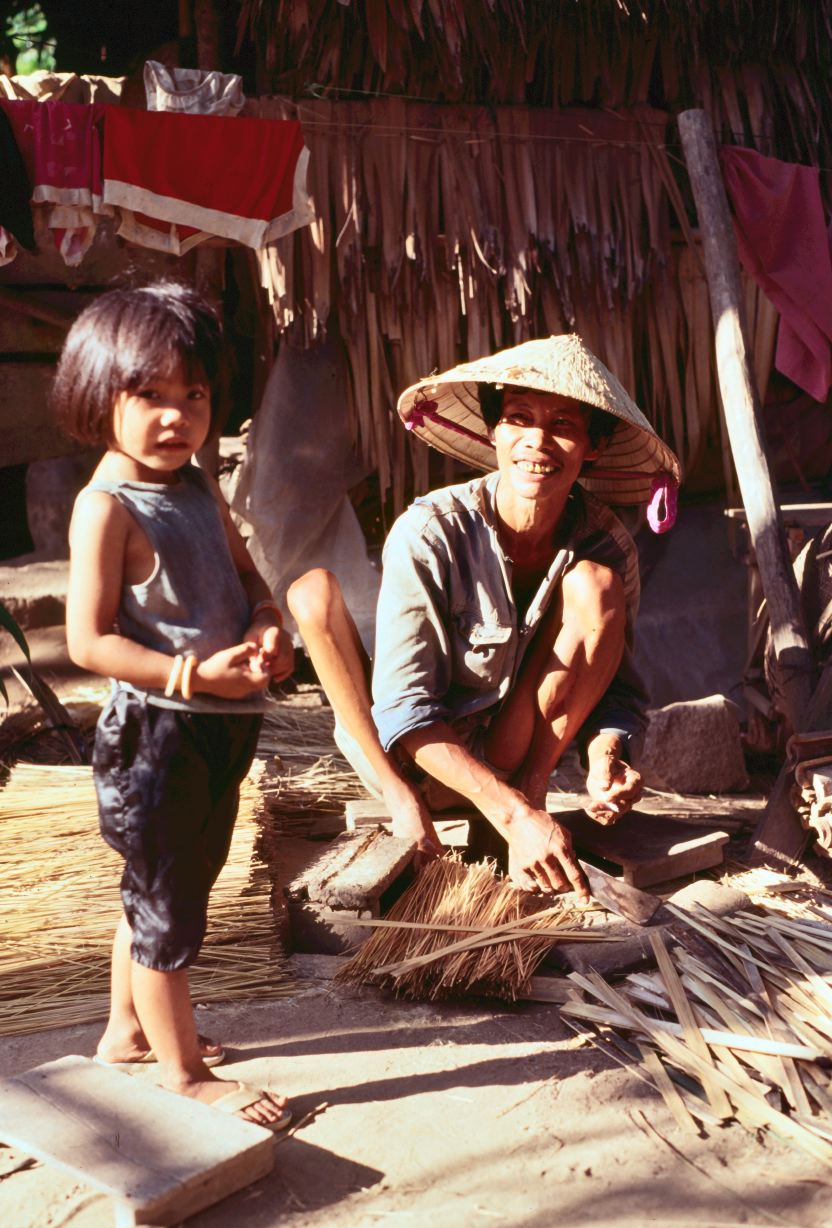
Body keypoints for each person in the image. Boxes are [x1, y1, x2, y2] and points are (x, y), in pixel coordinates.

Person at [288, 334, 680, 898]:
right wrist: (432, 806)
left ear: (593, 445)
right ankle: (454, 806)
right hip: (411, 756)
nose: (536, 443)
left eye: (563, 425)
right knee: (311, 591)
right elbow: (404, 708)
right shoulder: (432, 530)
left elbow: (617, 693)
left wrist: (604, 758)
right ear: (494, 431)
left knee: (596, 586)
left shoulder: (606, 544)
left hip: (505, 753)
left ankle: (532, 791)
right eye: (519, 419)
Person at [57, 283, 294, 1130]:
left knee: (161, 888)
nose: (176, 416)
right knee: (165, 907)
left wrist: (269, 623)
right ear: (99, 393)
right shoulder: (106, 509)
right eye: (149, 395)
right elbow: (88, 643)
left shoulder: (197, 484)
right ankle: (183, 1074)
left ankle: (126, 1033)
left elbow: (244, 576)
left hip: (223, 727)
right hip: (159, 736)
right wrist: (196, 677)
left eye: (192, 395)